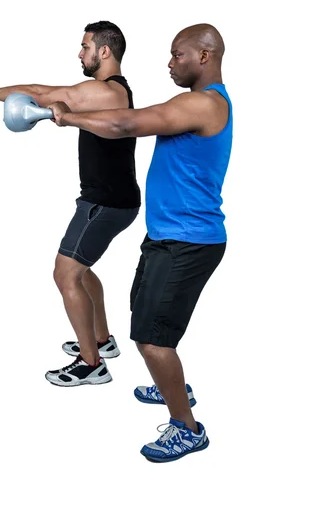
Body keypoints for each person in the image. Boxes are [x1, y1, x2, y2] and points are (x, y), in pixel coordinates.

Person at [48, 23, 232, 463]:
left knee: (152, 340)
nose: (170, 63)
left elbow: (127, 123)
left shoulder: (203, 104)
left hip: (188, 241)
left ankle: (186, 427)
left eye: (177, 55)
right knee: (148, 322)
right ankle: (172, 383)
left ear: (204, 57)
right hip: (168, 234)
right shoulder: (196, 102)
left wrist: (68, 116)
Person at [0, 21, 142, 387]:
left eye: (85, 47)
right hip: (109, 200)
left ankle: (91, 363)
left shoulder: (108, 92)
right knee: (82, 269)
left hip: (104, 204)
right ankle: (101, 340)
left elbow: (41, 92)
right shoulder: (110, 90)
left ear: (104, 51)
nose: (80, 54)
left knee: (64, 274)